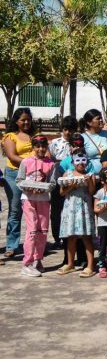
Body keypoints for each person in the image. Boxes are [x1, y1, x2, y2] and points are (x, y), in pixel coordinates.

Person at [16, 134, 53, 277]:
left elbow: (52, 183)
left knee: (42, 230)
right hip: (28, 199)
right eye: (37, 146)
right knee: (32, 230)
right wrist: (28, 188)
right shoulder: (25, 162)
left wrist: (44, 189)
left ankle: (38, 259)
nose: (41, 149)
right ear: (33, 147)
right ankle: (27, 263)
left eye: (43, 146)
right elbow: (19, 181)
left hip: (43, 199)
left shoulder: (50, 164)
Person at [56, 153, 97, 277]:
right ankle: (70, 264)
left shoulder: (90, 175)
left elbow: (92, 192)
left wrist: (89, 182)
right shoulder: (67, 174)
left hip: (84, 208)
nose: (81, 163)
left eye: (83, 160)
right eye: (77, 160)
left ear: (87, 162)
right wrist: (72, 185)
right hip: (70, 208)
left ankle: (90, 265)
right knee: (71, 237)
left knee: (86, 237)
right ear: (73, 162)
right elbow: (61, 193)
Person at [3, 107, 35, 258]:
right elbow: (12, 156)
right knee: (15, 210)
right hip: (14, 175)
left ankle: (33, 243)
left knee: (33, 210)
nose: (26, 122)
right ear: (16, 121)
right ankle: (12, 245)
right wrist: (32, 163)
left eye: (28, 119)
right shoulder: (10, 136)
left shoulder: (35, 136)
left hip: (33, 176)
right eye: (23, 120)